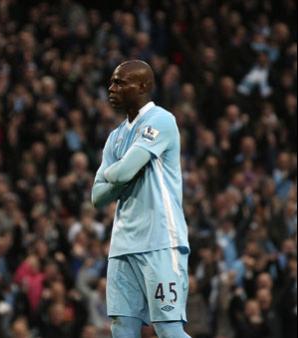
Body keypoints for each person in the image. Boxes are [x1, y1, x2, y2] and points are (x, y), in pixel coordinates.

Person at [92, 60, 190, 338]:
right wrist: (120, 175)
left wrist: (115, 175)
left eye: (120, 83)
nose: (112, 88)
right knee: (122, 328)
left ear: (143, 86)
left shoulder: (161, 120)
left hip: (160, 239)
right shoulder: (115, 137)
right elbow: (97, 197)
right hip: (122, 244)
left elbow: (122, 173)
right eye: (112, 82)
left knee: (168, 329)